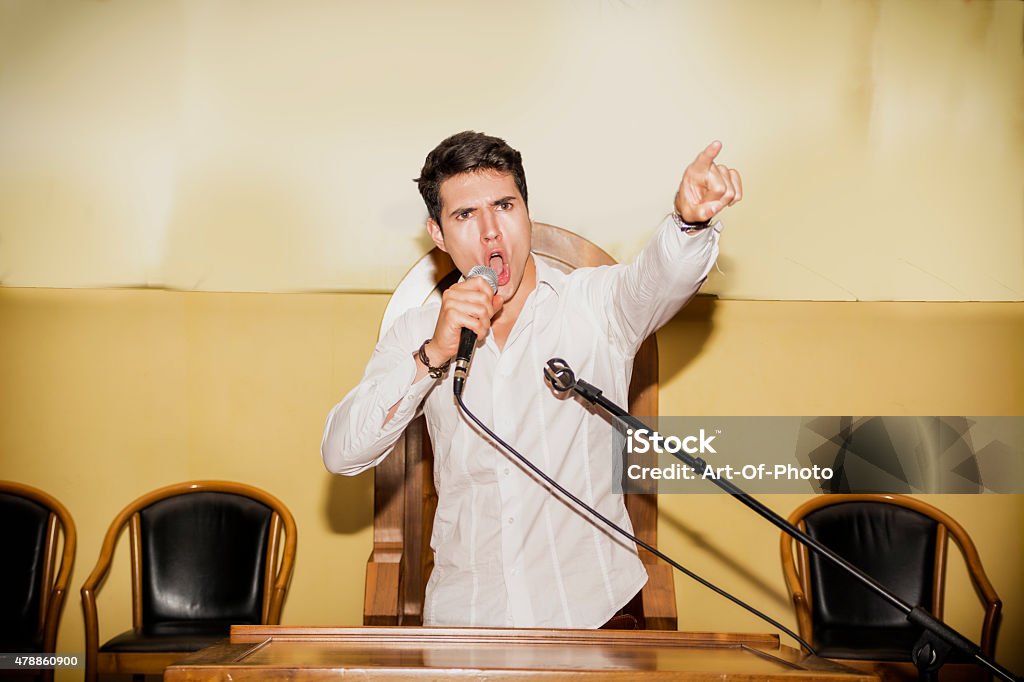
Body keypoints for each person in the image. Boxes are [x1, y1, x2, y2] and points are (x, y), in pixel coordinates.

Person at [322, 131, 742, 629]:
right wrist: (432, 355)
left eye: (504, 205)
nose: (490, 232)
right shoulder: (416, 331)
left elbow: (659, 278)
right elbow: (342, 452)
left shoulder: (596, 306)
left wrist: (689, 223)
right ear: (438, 234)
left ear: (526, 212)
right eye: (465, 215)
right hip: (466, 620)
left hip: (595, 616)